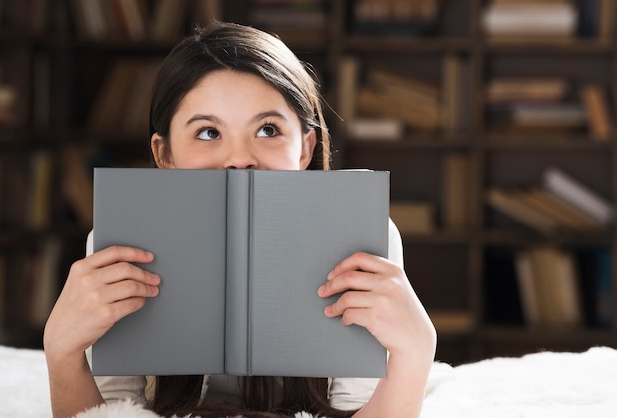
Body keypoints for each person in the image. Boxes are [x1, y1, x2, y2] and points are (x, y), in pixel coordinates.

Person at [43, 21, 436, 418]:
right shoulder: (120, 243)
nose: (239, 159)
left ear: (305, 150)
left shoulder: (365, 237)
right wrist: (62, 352)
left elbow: (357, 410)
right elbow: (114, 411)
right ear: (165, 156)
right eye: (208, 132)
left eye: (268, 129)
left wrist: (415, 352)